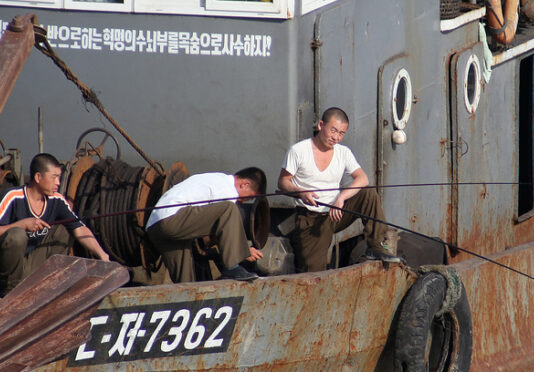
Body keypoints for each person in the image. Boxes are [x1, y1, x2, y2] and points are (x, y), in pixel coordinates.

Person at [279, 107, 399, 272]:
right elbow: (283, 182)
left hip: (336, 213)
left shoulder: (343, 152)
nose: (336, 137)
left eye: (341, 133)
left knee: (368, 193)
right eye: (333, 130)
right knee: (313, 273)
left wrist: (342, 197)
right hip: (311, 219)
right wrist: (301, 192)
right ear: (321, 125)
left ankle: (377, 245)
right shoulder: (298, 151)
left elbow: (362, 178)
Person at [0, 153, 110, 294]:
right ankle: (10, 292)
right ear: (38, 177)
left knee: (65, 229)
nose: (58, 183)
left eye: (59, 177)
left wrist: (102, 255)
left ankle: (47, 283)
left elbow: (80, 229)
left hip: (28, 267)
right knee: (17, 235)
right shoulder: (12, 197)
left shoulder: (57, 200)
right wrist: (21, 225)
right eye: (54, 177)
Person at [146, 167, 266, 283]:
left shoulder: (215, 178)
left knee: (186, 282)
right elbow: (224, 221)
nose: (244, 201)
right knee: (229, 209)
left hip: (155, 227)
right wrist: (243, 249)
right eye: (249, 197)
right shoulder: (227, 189)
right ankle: (232, 268)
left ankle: (188, 298)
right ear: (245, 184)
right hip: (172, 218)